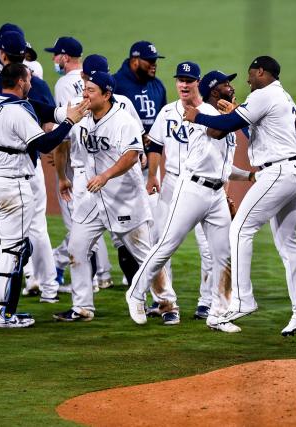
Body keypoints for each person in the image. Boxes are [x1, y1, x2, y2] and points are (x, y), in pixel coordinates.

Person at [184, 56, 296, 336]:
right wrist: (233, 113)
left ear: (260, 72)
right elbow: (251, 129)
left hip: (279, 173)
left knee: (240, 229)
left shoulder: (263, 94)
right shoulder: (281, 95)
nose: (246, 81)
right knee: (287, 242)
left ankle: (243, 299)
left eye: (250, 74)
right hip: (295, 172)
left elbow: (228, 125)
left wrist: (198, 116)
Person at [127, 64, 250, 332]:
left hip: (216, 193)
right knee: (166, 244)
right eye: (225, 85)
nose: (230, 87)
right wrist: (238, 114)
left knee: (224, 255)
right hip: (191, 189)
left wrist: (249, 176)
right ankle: (136, 293)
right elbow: (217, 131)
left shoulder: (222, 114)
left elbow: (224, 163)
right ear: (213, 91)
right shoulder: (205, 113)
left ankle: (218, 313)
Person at [0, 62, 87, 327]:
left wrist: (1, 155)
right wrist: (69, 121)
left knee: (7, 244)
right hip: (12, 188)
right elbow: (45, 143)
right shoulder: (18, 112)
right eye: (29, 80)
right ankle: (2, 313)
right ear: (21, 82)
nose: (32, 83)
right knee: (16, 249)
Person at [53, 71, 176, 322]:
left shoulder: (123, 120)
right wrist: (64, 174)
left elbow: (132, 155)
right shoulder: (80, 116)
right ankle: (82, 307)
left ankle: (168, 306)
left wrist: (106, 175)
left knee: (144, 255)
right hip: (91, 199)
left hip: (123, 198)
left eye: (91, 90)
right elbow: (55, 128)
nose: (84, 94)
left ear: (107, 95)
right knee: (77, 248)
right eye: (84, 89)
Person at [144, 64, 229, 320]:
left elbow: (223, 155)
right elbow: (156, 146)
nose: (183, 85)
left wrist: (226, 187)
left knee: (209, 248)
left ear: (198, 82)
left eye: (189, 80)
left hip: (202, 187)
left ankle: (206, 303)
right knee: (161, 243)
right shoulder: (167, 111)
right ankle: (166, 304)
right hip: (171, 184)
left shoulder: (210, 114)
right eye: (180, 80)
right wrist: (151, 176)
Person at [45, 36, 114, 293]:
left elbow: (65, 124)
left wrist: (55, 147)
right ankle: (102, 274)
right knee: (95, 217)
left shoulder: (65, 83)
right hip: (98, 157)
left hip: (75, 158)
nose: (54, 59)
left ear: (65, 56)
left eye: (56, 55)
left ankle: (65, 269)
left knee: (79, 221)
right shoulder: (103, 83)